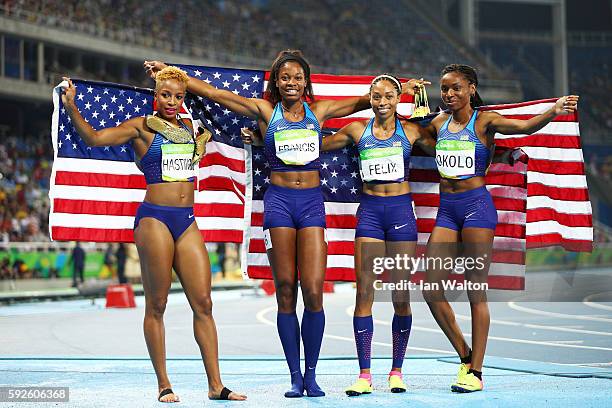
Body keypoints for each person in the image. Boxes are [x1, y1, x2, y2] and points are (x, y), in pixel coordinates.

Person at [145, 50, 392, 398]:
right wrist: (175, 75)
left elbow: (368, 99)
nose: (291, 82)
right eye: (285, 77)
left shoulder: (318, 111)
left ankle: (311, 375)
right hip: (278, 204)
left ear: (306, 82)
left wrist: (405, 87)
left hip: (311, 205)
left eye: (297, 77)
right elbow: (218, 95)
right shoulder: (265, 111)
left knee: (315, 292)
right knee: (286, 291)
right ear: (276, 82)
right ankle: (294, 376)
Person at [61, 66, 246, 402]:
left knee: (204, 302)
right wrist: (72, 105)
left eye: (178, 96)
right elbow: (95, 139)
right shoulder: (141, 128)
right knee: (157, 304)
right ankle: (164, 384)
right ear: (155, 95)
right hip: (154, 220)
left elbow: (218, 98)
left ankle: (216, 385)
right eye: (165, 95)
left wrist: (173, 71)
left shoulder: (192, 128)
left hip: (187, 220)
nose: (172, 101)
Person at [419, 64, 579, 393]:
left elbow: (525, 126)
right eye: (444, 89)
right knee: (431, 289)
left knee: (475, 292)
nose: (449, 94)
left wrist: (553, 111)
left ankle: (475, 372)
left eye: (456, 88)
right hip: (447, 212)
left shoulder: (486, 121)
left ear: (471, 89)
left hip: (477, 209)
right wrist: (408, 97)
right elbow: (403, 132)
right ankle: (465, 353)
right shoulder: (437, 124)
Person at [319, 74, 433, 396]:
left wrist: (497, 153)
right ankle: (365, 374)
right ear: (369, 99)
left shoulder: (412, 131)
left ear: (399, 100)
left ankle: (396, 370)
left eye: (388, 96)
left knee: (400, 295)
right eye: (376, 96)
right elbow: (319, 146)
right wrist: (268, 136)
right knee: (364, 294)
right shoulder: (357, 130)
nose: (382, 102)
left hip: (400, 216)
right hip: (369, 214)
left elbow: (450, 149)